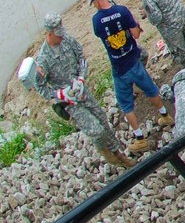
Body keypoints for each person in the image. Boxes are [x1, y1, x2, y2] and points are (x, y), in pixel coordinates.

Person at [22, 13, 133, 167]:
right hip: (70, 102)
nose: (61, 36)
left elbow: (81, 57)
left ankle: (117, 153)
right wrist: (60, 94)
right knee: (96, 130)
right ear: (49, 34)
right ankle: (106, 151)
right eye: (58, 34)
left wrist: (81, 78)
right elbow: (40, 88)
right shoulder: (43, 60)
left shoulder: (67, 39)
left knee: (101, 117)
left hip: (81, 90)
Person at [91, 0, 174, 154]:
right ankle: (165, 116)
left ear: (96, 2)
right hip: (134, 61)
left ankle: (139, 138)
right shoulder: (122, 11)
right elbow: (136, 34)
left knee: (126, 104)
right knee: (151, 89)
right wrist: (133, 24)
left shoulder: (96, 20)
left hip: (119, 68)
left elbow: (101, 35)